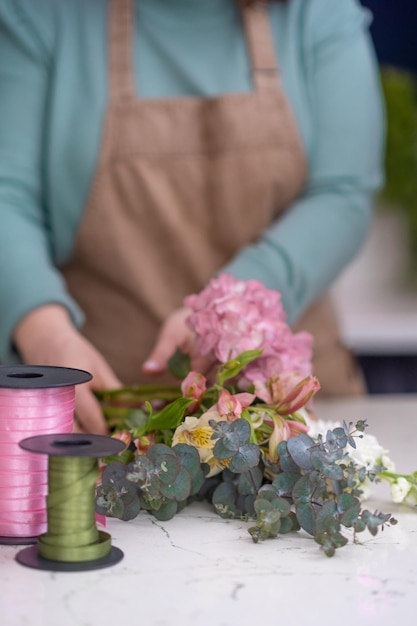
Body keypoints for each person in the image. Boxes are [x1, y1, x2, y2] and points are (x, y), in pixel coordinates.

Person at [0, 0, 384, 434]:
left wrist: (226, 311)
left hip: (291, 416)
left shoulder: (317, 15)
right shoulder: (40, 15)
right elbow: (7, 196)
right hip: (100, 415)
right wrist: (43, 331)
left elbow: (343, 195)